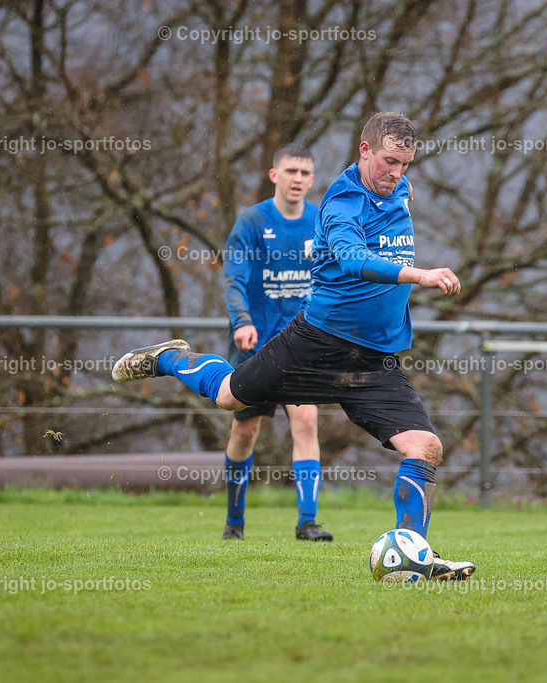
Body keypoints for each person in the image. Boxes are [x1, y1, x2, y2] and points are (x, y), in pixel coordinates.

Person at [113, 112, 474, 580]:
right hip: (314, 343)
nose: (397, 173)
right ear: (364, 151)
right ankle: (173, 359)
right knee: (226, 398)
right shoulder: (342, 202)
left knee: (425, 446)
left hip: (373, 362)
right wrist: (418, 274)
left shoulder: (398, 189)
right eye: (388, 161)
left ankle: (416, 556)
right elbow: (351, 258)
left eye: (405, 164)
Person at [221, 142, 332, 542]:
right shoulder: (251, 223)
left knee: (306, 423)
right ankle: (234, 521)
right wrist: (242, 321)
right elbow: (233, 278)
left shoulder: (321, 221)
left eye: (305, 173)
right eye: (291, 172)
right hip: (256, 346)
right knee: (245, 431)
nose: (297, 179)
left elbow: (333, 278)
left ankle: (308, 522)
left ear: (312, 179)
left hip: (302, 345)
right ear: (275, 175)